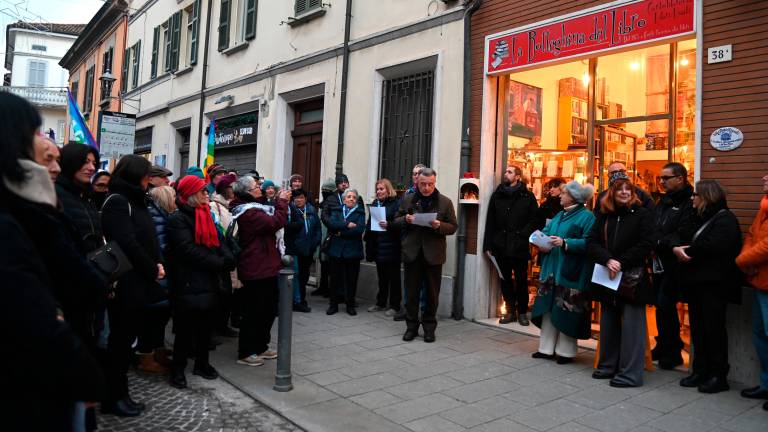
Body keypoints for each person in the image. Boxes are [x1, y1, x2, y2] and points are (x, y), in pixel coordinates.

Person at [0, 91, 104, 431]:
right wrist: (85, 375)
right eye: (36, 131)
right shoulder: (16, 216)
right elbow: (34, 316)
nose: (47, 144)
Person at [101, 155, 165, 416]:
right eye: (146, 175)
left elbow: (148, 237)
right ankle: (113, 397)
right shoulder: (118, 201)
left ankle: (120, 393)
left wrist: (157, 262)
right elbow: (126, 242)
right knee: (119, 341)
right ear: (134, 176)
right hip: (126, 281)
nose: (149, 180)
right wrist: (151, 268)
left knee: (126, 339)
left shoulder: (138, 199)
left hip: (140, 279)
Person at [587, 174, 656, 388]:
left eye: (628, 189)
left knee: (633, 328)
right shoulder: (603, 215)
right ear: (612, 193)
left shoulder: (643, 214)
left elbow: (647, 243)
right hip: (607, 277)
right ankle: (608, 366)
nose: (624, 192)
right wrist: (607, 259)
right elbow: (591, 241)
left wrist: (619, 262)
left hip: (632, 278)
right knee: (608, 323)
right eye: (619, 189)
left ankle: (630, 374)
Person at [166, 176, 235, 389]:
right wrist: (218, 263)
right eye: (203, 191)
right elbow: (187, 250)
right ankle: (177, 369)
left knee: (206, 328)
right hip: (188, 282)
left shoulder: (206, 214)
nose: (207, 194)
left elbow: (219, 239)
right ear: (191, 194)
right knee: (185, 331)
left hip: (209, 281)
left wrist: (229, 257)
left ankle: (202, 364)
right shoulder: (178, 218)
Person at [673, 180, 741, 393]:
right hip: (696, 284)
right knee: (699, 329)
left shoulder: (725, 220)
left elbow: (713, 246)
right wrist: (678, 247)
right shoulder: (700, 217)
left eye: (696, 195)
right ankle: (700, 370)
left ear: (707, 196)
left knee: (713, 329)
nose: (692, 198)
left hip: (714, 285)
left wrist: (687, 252)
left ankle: (718, 375)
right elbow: (682, 234)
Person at [531, 181, 596, 364]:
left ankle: (565, 352)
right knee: (548, 309)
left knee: (567, 309)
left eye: (564, 193)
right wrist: (541, 243)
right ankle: (546, 348)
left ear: (574, 197)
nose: (560, 195)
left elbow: (590, 243)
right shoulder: (559, 214)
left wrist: (566, 243)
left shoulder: (587, 217)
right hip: (551, 268)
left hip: (570, 271)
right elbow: (545, 231)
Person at [230, 176, 290, 367]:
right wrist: (282, 203)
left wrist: (277, 200)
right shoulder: (248, 213)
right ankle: (246, 351)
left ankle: (261, 346)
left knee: (269, 309)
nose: (261, 190)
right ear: (248, 193)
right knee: (254, 311)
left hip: (268, 266)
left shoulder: (256, 207)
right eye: (257, 187)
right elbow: (274, 223)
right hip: (256, 268)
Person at [394, 168, 457, 342]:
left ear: (434, 183)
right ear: (417, 183)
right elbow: (396, 221)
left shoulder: (445, 202)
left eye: (430, 184)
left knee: (431, 295)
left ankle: (429, 328)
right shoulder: (408, 199)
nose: (426, 188)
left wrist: (439, 226)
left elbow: (453, 226)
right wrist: (405, 219)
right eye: (423, 184)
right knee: (411, 294)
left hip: (433, 255)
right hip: (412, 253)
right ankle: (411, 327)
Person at [483, 165, 543, 326]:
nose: (505, 174)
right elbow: (491, 221)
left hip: (519, 245)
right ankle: (510, 311)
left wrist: (523, 234)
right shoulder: (498, 195)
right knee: (505, 279)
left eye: (509, 172)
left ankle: (522, 312)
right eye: (505, 171)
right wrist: (487, 244)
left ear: (517, 177)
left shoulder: (527, 196)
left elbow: (535, 220)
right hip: (500, 244)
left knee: (522, 280)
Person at [652, 162, 695, 370]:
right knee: (661, 306)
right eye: (660, 178)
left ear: (680, 178)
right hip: (659, 262)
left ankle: (672, 351)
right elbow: (653, 227)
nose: (661, 181)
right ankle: (664, 345)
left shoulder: (690, 202)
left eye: (666, 178)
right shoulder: (662, 202)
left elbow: (684, 232)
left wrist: (662, 243)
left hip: (676, 264)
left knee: (666, 304)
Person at [736, 174, 768, 410]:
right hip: (759, 280)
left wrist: (741, 261)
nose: (764, 177)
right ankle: (766, 384)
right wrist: (746, 260)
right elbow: (751, 235)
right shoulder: (763, 207)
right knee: (760, 335)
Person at [364, 179, 402, 315]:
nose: (379, 191)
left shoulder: (396, 203)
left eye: (382, 189)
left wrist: (389, 224)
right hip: (379, 246)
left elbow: (399, 223)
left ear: (388, 190)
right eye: (378, 189)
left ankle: (394, 306)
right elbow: (370, 224)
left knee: (394, 278)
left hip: (392, 246)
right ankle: (380, 303)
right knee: (382, 278)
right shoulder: (375, 204)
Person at [326, 189, 366, 316]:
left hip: (353, 251)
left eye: (354, 197)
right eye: (348, 197)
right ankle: (333, 305)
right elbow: (332, 224)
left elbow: (359, 230)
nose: (351, 199)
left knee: (351, 280)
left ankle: (350, 305)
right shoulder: (337, 210)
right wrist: (347, 224)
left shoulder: (360, 212)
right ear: (344, 200)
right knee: (334, 280)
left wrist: (339, 231)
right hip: (336, 250)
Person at [210, 173, 240, 337]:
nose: (233, 190)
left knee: (230, 292)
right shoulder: (215, 206)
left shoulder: (230, 205)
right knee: (222, 292)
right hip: (223, 254)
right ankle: (217, 326)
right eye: (231, 187)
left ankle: (223, 324)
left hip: (231, 253)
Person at [285, 188, 322, 312]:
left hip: (308, 249)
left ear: (305, 199)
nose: (299, 200)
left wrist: (315, 243)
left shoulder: (312, 211)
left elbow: (317, 229)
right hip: (296, 250)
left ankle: (301, 299)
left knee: (304, 276)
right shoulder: (291, 212)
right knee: (296, 276)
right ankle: (296, 300)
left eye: (301, 197)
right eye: (296, 198)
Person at [312, 178, 337, 297]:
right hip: (321, 237)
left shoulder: (334, 203)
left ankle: (330, 289)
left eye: (327, 190)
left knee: (330, 265)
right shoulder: (322, 204)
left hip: (329, 237)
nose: (324, 192)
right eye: (323, 190)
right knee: (323, 263)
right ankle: (323, 287)